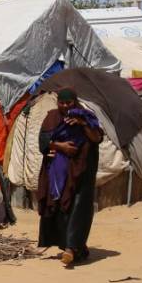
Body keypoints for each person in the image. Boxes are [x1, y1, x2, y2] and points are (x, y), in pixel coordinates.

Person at [36, 88, 104, 267]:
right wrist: (61, 147)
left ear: (75, 102)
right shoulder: (52, 117)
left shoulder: (86, 115)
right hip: (59, 173)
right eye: (62, 103)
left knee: (78, 209)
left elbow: (96, 138)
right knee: (61, 208)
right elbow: (43, 143)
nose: (65, 107)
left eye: (69, 103)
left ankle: (71, 249)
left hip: (81, 172)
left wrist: (82, 123)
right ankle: (76, 248)